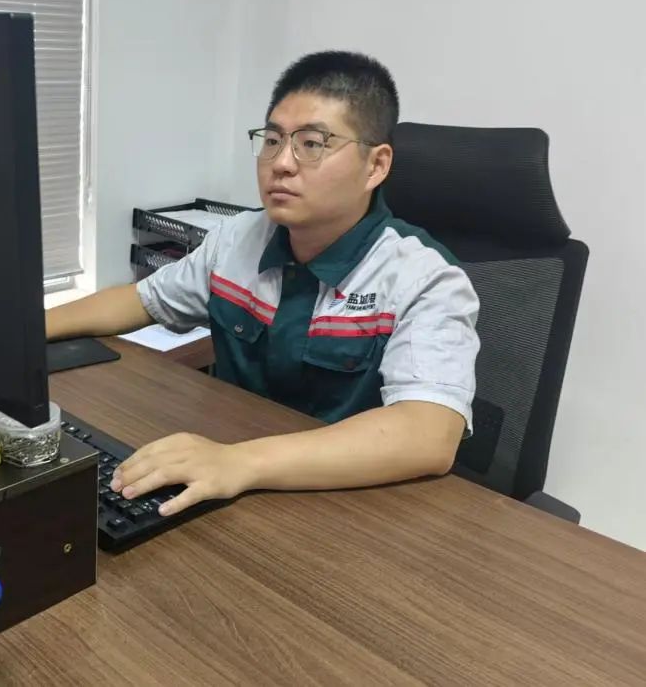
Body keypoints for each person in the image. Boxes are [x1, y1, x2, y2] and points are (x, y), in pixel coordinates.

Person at [46, 50, 479, 517]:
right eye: (272, 140)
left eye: (312, 143)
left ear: (375, 166)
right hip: (233, 480)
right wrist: (25, 329)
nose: (281, 163)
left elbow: (429, 435)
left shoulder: (424, 277)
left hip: (349, 506)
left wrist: (241, 462)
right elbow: (142, 300)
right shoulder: (239, 238)